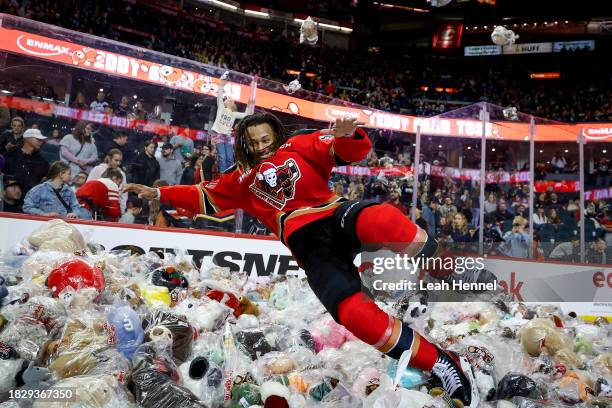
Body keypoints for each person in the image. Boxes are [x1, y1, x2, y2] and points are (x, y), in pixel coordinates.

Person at [125, 112, 478, 406]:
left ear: (276, 135)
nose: (262, 146)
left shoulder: (299, 143)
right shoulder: (238, 179)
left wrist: (349, 134)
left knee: (384, 219)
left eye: (267, 139)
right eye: (254, 142)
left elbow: (352, 150)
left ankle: (450, 271)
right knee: (355, 317)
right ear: (244, 144)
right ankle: (443, 364)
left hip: (333, 215)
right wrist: (158, 192)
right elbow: (202, 196)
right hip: (311, 250)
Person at [210, 71, 255, 172]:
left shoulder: (234, 114)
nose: (230, 99)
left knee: (230, 158)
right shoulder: (221, 108)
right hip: (219, 134)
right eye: (228, 98)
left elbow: (247, 114)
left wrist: (250, 101)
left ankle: (229, 175)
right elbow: (219, 96)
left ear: (233, 104)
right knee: (222, 157)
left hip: (228, 136)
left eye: (232, 99)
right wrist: (221, 85)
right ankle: (223, 176)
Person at [22, 161, 89, 219]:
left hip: (62, 227)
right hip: (44, 226)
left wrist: (74, 214)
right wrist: (44, 214)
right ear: (61, 174)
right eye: (69, 174)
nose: (70, 176)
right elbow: (27, 207)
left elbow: (76, 207)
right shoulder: (39, 189)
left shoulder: (69, 191)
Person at [3, 128, 49, 194]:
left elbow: (47, 178)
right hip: (11, 198)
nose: (41, 142)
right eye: (38, 139)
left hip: (32, 198)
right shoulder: (11, 155)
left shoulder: (42, 161)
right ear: (27, 139)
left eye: (41, 140)